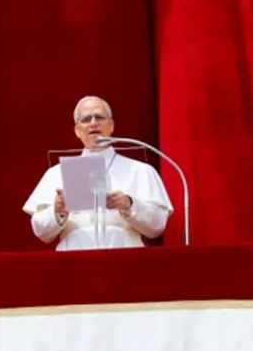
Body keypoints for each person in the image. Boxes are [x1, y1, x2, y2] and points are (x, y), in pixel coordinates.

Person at [23, 96, 173, 251]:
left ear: (111, 125)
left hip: (126, 261)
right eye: (86, 119)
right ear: (77, 131)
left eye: (99, 117)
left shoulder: (140, 170)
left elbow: (157, 227)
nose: (93, 123)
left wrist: (130, 205)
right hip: (73, 262)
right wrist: (58, 211)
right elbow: (41, 232)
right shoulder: (55, 174)